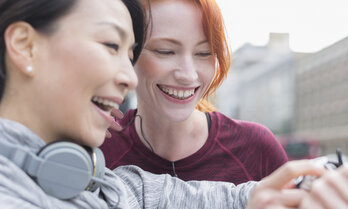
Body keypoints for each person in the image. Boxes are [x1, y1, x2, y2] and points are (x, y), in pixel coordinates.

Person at [0, 0, 348, 209]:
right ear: (26, 46)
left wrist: (323, 183)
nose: (127, 76)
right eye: (111, 46)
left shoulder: (108, 187)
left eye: (130, 54)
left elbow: (244, 201)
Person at [101, 0, 287, 185]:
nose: (188, 75)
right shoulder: (99, 148)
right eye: (165, 51)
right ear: (128, 54)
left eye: (204, 53)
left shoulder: (256, 149)